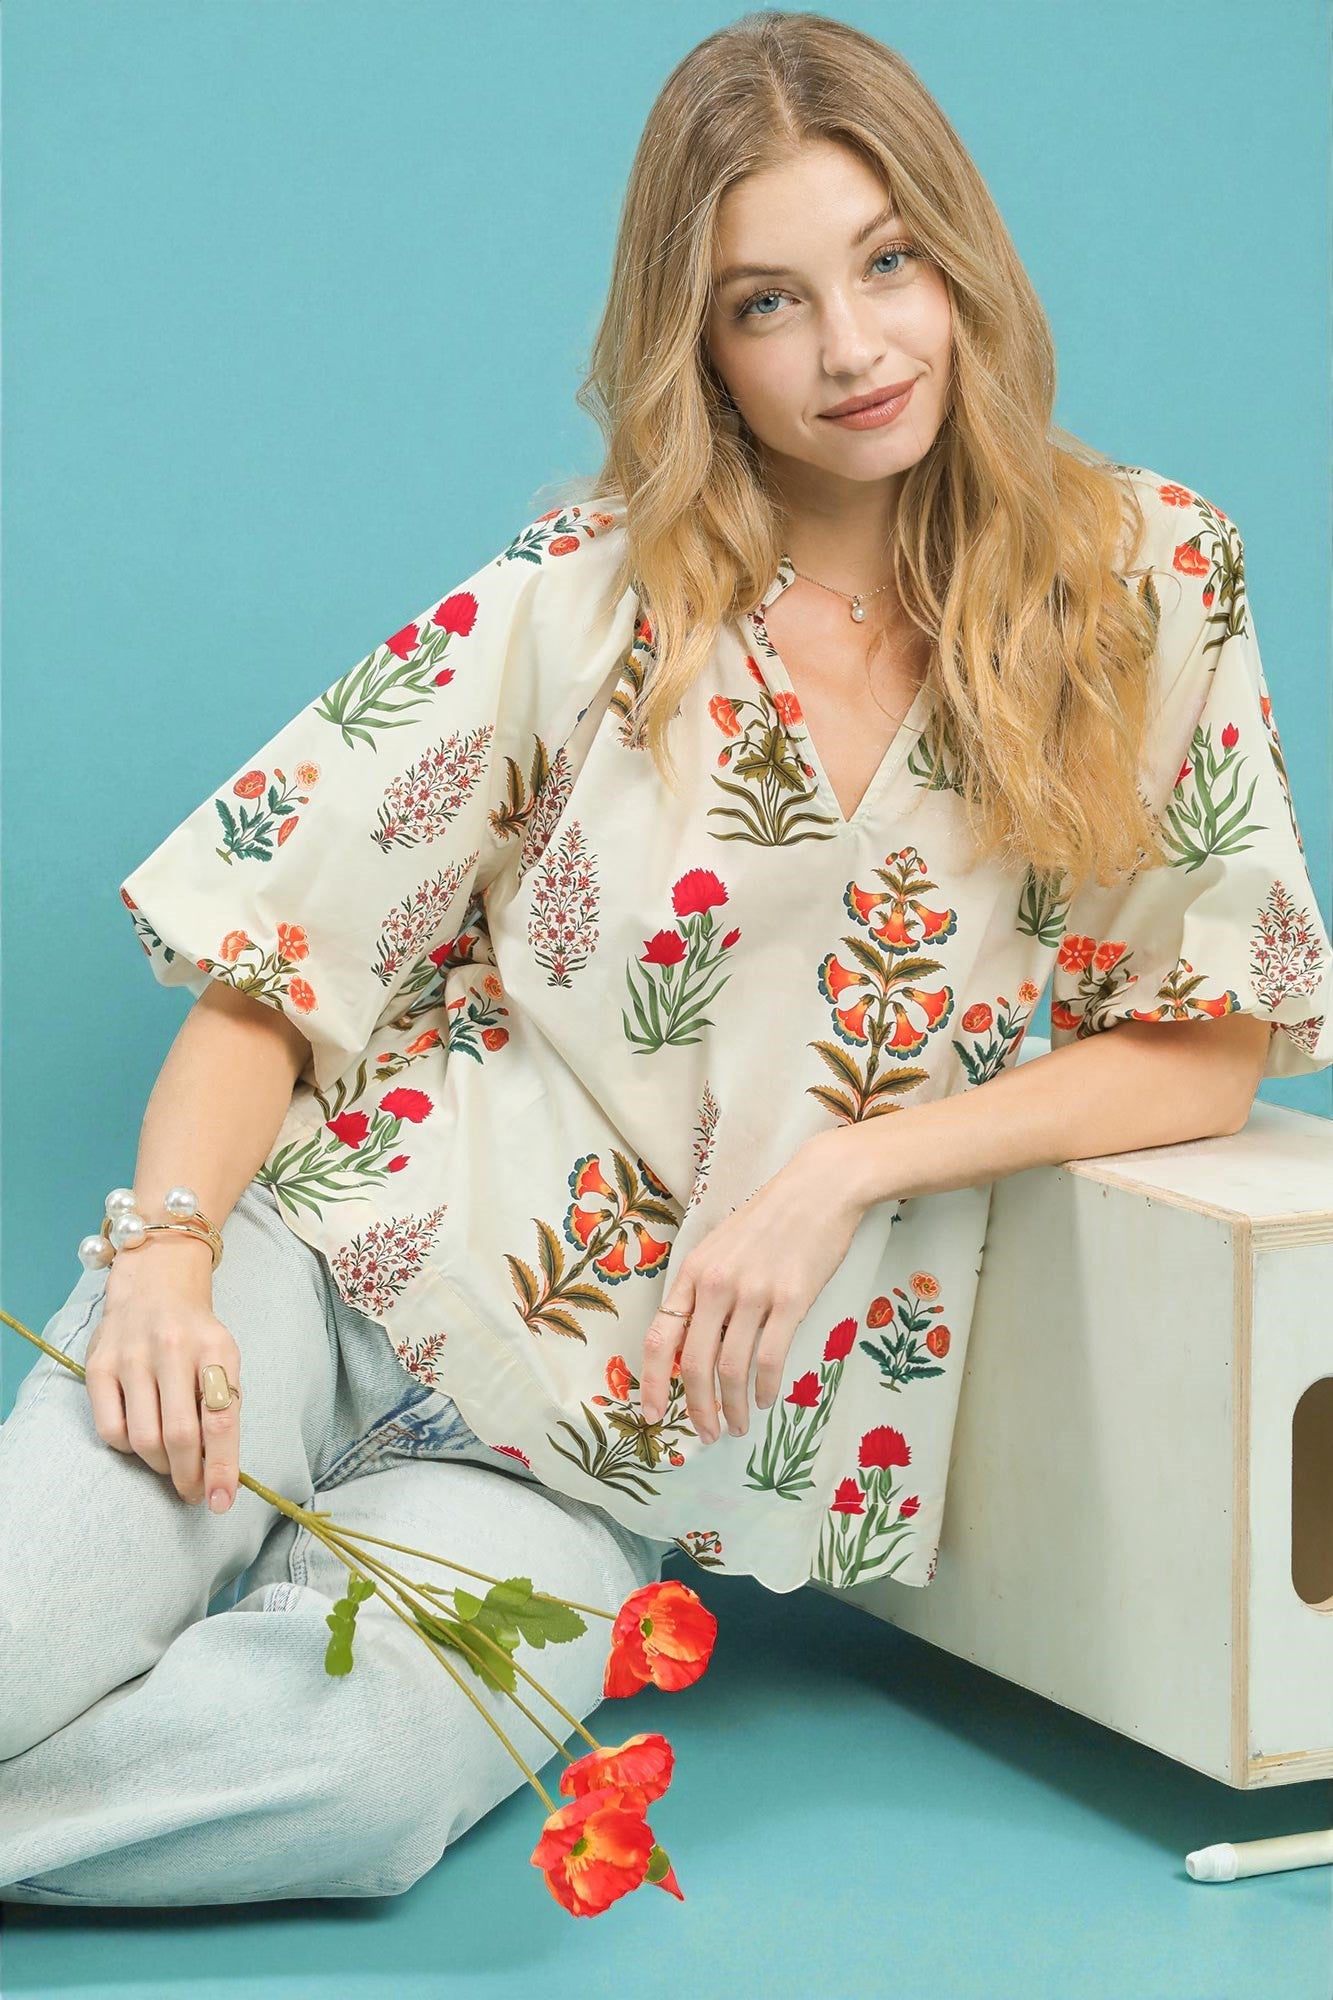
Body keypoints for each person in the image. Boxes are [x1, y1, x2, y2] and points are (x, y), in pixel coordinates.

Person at [3, 9, 1331, 1907]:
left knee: (354, 1781)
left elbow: (1209, 1038)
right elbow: (271, 959)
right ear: (698, 344)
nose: (851, 348)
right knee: (16, 1632)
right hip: (327, 1281)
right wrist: (165, 1263)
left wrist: (849, 1168)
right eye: (766, 303)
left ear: (958, 256)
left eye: (884, 264)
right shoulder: (592, 588)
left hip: (584, 1477)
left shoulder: (1143, 580)